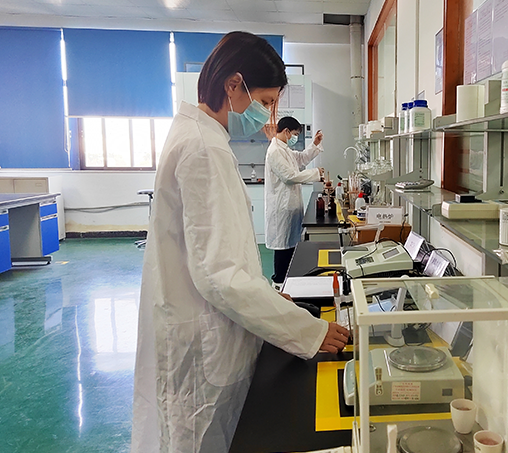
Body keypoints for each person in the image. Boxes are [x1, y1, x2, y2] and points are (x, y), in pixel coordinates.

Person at [131, 32, 350, 453]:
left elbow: (216, 255)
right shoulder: (203, 148)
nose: (269, 115)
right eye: (265, 101)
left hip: (204, 322)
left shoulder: (202, 136)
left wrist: (267, 295)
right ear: (233, 85)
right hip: (203, 342)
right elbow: (221, 276)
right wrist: (307, 331)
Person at [264, 116, 325, 287]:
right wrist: (316, 174)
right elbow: (290, 177)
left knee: (289, 247)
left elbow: (301, 158)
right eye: (295, 134)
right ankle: (279, 284)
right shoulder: (275, 151)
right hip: (282, 208)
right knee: (283, 248)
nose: (295, 138)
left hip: (289, 207)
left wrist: (314, 144)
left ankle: (289, 283)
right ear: (286, 131)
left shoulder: (284, 149)